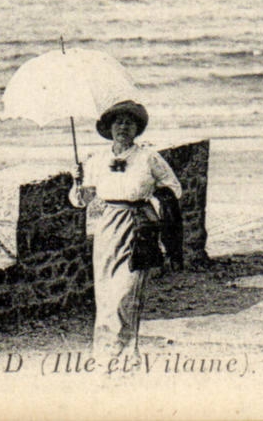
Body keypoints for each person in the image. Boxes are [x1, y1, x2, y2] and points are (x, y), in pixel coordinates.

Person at [69, 100, 184, 358]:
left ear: (137, 129)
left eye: (129, 123)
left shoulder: (148, 158)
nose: (123, 127)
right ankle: (104, 355)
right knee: (106, 294)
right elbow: (81, 200)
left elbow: (174, 188)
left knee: (126, 292)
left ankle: (125, 354)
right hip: (107, 229)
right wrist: (78, 184)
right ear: (109, 128)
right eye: (118, 122)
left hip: (138, 229)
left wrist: (152, 203)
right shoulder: (96, 160)